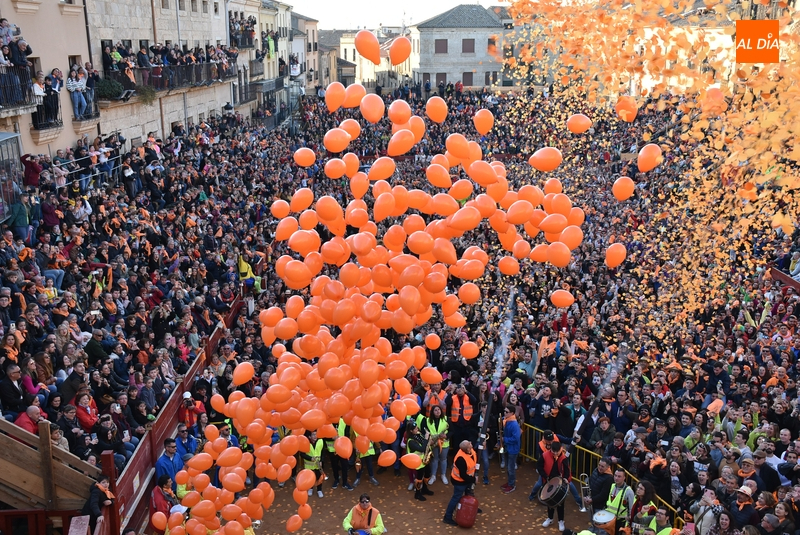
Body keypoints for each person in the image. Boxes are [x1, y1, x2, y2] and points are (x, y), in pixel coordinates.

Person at [538, 440, 570, 531]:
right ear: (550, 449)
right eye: (553, 451)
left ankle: (561, 520)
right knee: (549, 501)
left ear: (561, 449)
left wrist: (566, 478)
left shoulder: (564, 458)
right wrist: (545, 476)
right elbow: (539, 466)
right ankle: (550, 518)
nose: (555, 453)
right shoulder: (545, 455)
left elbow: (567, 470)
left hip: (560, 483)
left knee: (560, 503)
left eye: (557, 451)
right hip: (548, 481)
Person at [443, 439, 477, 526]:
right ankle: (447, 517)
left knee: (469, 493)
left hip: (467, 479)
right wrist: (473, 480)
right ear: (468, 449)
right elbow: (463, 475)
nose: (471, 443)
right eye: (470, 444)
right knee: (456, 498)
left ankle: (470, 507)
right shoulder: (460, 459)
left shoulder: (469, 450)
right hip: (459, 482)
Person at [405, 420, 434, 501]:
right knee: (419, 478)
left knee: (428, 474)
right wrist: (426, 438)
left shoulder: (418, 434)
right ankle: (417, 493)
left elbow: (425, 444)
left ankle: (425, 489)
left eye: (416, 427)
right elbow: (421, 448)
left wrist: (429, 441)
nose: (417, 429)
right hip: (418, 462)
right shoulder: (410, 441)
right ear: (411, 431)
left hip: (425, 460)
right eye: (415, 428)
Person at [501, 404, 521, 493]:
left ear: (512, 413)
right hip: (508, 447)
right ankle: (509, 482)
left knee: (511, 468)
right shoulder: (507, 421)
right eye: (504, 411)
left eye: (506, 412)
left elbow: (516, 438)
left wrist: (504, 439)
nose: (504, 413)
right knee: (508, 467)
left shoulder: (513, 424)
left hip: (513, 449)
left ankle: (512, 485)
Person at [300, 430, 325, 498]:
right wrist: (310, 458)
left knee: (319, 476)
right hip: (309, 465)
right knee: (310, 478)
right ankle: (310, 488)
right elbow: (302, 454)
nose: (315, 436)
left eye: (316, 434)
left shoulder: (320, 441)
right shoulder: (305, 443)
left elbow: (323, 453)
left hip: (318, 465)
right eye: (313, 435)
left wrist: (321, 461)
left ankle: (319, 490)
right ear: (309, 436)